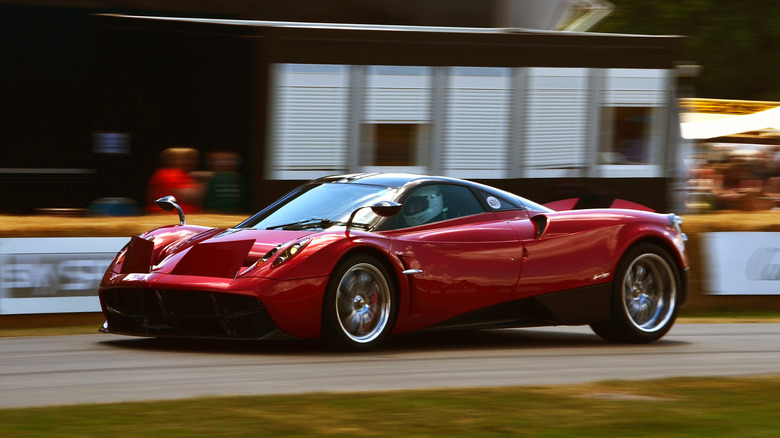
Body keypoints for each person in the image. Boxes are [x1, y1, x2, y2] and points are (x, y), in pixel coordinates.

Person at [146, 147, 204, 214]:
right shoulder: (171, 174)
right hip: (174, 217)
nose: (190, 162)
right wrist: (204, 181)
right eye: (186, 158)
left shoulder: (162, 173)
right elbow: (189, 196)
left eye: (192, 159)